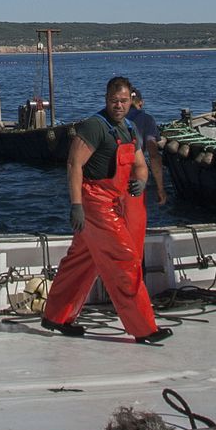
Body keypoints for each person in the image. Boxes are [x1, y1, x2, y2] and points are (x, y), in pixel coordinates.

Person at [40, 76, 170, 343]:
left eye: (123, 101)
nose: (118, 106)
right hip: (94, 202)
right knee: (124, 259)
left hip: (116, 200)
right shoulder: (94, 127)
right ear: (106, 100)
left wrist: (143, 180)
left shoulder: (130, 129)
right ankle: (143, 328)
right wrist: (76, 205)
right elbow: (74, 165)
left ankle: (56, 316)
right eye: (114, 101)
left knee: (82, 260)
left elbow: (139, 163)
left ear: (131, 100)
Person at [124, 86, 166, 258]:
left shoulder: (112, 118)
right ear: (140, 103)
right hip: (134, 183)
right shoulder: (147, 120)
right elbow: (153, 154)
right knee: (134, 236)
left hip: (110, 184)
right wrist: (160, 187)